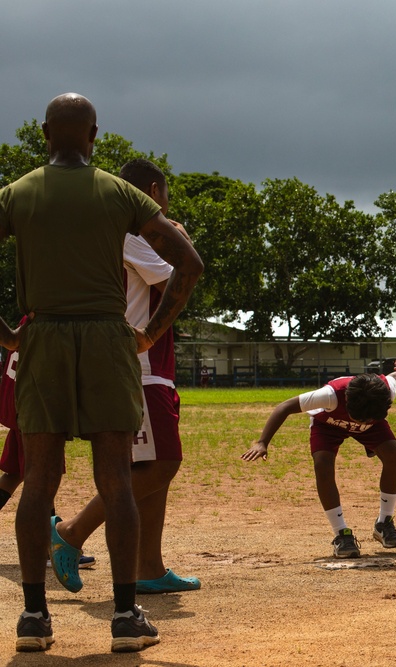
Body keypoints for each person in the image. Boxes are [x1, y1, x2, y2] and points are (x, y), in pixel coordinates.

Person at [0, 94, 202, 653]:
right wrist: (152, 333)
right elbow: (189, 262)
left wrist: (10, 336)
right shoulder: (120, 193)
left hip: (42, 338)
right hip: (108, 339)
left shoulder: (16, 195)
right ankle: (123, 616)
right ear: (94, 135)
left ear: (44, 134)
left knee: (39, 478)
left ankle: (35, 619)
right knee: (115, 477)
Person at [51, 159, 201, 599]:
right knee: (163, 464)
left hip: (149, 366)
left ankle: (148, 568)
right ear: (153, 191)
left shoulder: (117, 231)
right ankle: (73, 532)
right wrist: (181, 235)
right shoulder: (132, 233)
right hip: (140, 365)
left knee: (150, 468)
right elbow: (180, 273)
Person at [242, 360, 396, 558]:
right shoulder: (330, 395)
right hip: (328, 424)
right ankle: (341, 534)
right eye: (358, 419)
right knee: (322, 464)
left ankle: (384, 523)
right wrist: (263, 442)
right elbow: (284, 407)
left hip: (371, 424)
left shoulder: (385, 391)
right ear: (348, 404)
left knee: (393, 453)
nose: (360, 423)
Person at [0, 324, 96, 570]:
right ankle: (49, 547)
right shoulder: (49, 321)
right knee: (43, 474)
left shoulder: (29, 320)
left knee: (15, 475)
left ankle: (49, 545)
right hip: (34, 410)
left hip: (19, 406)